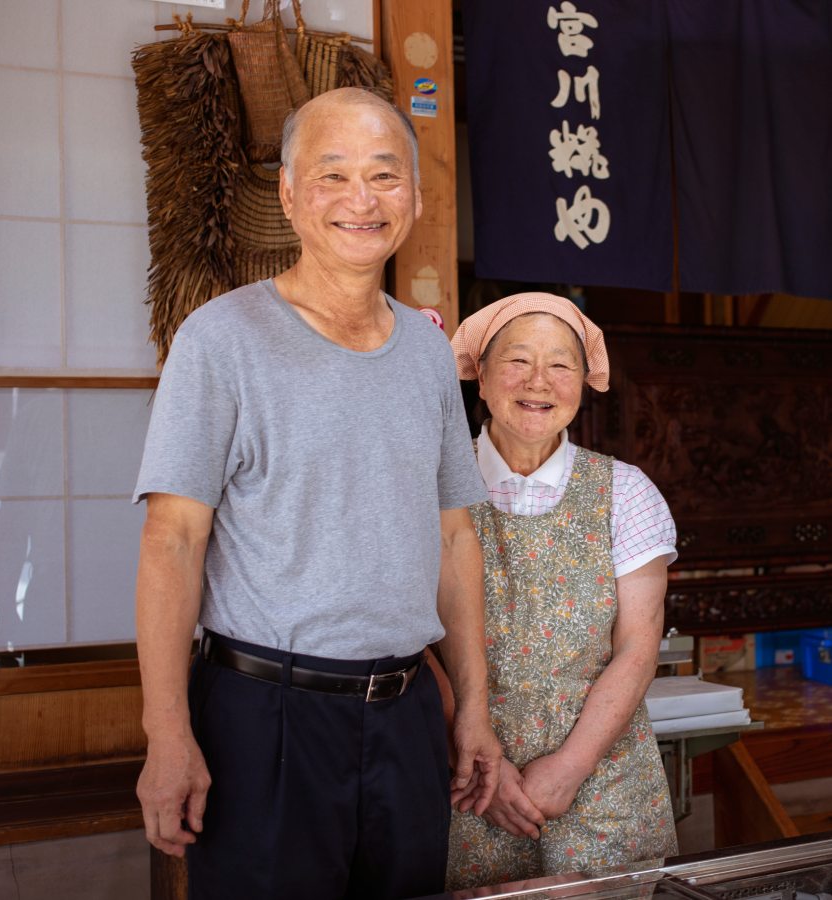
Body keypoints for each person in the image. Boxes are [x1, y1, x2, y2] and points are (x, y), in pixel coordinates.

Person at [132, 87, 502, 900]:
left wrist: (472, 705)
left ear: (413, 192)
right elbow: (173, 540)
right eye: (333, 176)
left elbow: (454, 540)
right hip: (266, 715)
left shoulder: (427, 355)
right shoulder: (222, 340)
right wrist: (167, 732)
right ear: (291, 195)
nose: (362, 200)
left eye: (384, 174)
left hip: (407, 714)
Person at [438, 293, 678, 889]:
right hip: (466, 777)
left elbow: (638, 649)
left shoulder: (627, 492)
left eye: (561, 364)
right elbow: (412, 642)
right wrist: (476, 759)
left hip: (602, 780)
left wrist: (571, 767)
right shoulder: (434, 490)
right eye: (518, 360)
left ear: (584, 379)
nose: (538, 381)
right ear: (481, 377)